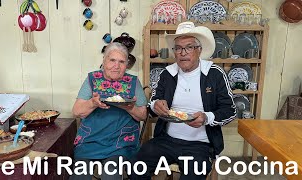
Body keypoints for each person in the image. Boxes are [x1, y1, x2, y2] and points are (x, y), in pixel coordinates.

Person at [130, 22, 236, 180]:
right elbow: (152, 104)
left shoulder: (214, 73)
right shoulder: (167, 73)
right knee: (136, 167)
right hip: (166, 140)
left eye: (189, 47)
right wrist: (155, 104)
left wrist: (206, 117)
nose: (183, 52)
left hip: (200, 145)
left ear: (199, 50)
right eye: (178, 48)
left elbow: (230, 110)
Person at [70, 42, 147, 180]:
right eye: (112, 60)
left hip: (120, 142)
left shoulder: (133, 82)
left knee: (110, 174)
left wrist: (129, 108)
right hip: (90, 140)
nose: (116, 66)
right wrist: (92, 103)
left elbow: (142, 115)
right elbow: (76, 111)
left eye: (121, 62)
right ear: (104, 61)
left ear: (126, 65)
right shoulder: (92, 79)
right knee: (79, 175)